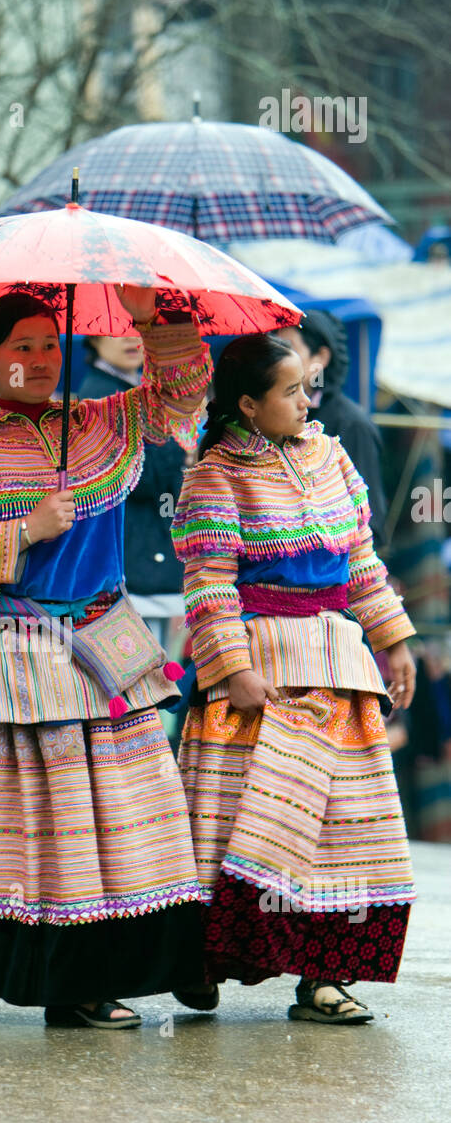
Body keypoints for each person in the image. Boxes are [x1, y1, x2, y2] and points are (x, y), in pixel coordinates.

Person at [0, 288, 215, 1028]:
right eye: (20, 349)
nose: (38, 361)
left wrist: (153, 319)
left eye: (47, 345)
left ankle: (132, 964)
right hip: (13, 648)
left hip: (105, 641)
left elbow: (182, 397)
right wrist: (28, 529)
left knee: (137, 812)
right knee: (35, 825)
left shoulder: (104, 421)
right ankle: (45, 980)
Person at [171, 332, 417, 1024]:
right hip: (261, 670)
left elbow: (362, 563)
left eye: (307, 388)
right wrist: (233, 671)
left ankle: (325, 976)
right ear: (248, 404)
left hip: (338, 663)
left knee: (343, 828)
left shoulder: (333, 456)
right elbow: (209, 586)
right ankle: (207, 957)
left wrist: (395, 641)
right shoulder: (214, 474)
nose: (308, 401)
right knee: (240, 824)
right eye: (290, 392)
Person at [78, 334, 187, 652]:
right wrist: (178, 447)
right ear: (94, 339)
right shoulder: (101, 397)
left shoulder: (134, 391)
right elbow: (140, 477)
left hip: (141, 553)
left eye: (137, 328)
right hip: (128, 558)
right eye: (114, 329)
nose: (129, 338)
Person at [278, 309, 388, 544]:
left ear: (320, 358)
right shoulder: (274, 418)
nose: (279, 360)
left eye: (288, 349)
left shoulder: (351, 423)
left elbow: (370, 521)